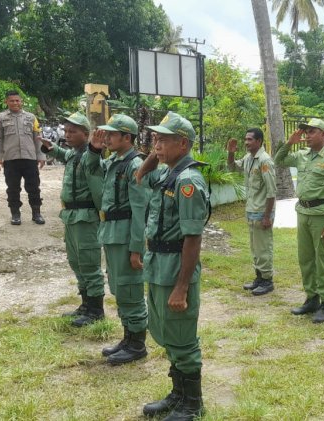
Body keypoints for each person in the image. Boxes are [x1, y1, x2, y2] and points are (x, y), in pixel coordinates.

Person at [136, 112, 207, 420]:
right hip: (159, 265)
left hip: (176, 267)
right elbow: (141, 174)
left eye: (163, 140)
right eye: (155, 140)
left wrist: (181, 287)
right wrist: (158, 151)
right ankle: (178, 394)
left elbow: (193, 238)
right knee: (167, 333)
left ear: (183, 143)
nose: (156, 146)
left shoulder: (188, 181)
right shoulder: (169, 174)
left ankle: (193, 404)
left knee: (182, 337)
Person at [87, 114, 149, 365]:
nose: (107, 137)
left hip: (125, 236)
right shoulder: (114, 161)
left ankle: (137, 344)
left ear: (127, 137)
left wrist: (136, 249)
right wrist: (94, 149)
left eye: (112, 134)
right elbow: (89, 168)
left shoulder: (135, 165)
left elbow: (139, 211)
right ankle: (127, 337)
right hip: (112, 233)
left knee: (130, 288)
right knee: (119, 287)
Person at [38, 112, 105, 327]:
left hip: (86, 217)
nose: (67, 135)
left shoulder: (90, 155)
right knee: (76, 262)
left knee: (89, 262)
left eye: (73, 132)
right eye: (66, 131)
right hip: (71, 216)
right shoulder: (75, 153)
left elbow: (92, 158)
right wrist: (52, 149)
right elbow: (65, 156)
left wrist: (95, 147)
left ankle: (96, 311)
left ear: (86, 134)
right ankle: (86, 304)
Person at [274, 118, 324, 323]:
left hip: (321, 216)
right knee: (305, 258)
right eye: (305, 132)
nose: (307, 135)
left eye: (311, 131)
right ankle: (311, 298)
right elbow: (278, 160)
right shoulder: (302, 156)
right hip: (303, 212)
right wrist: (288, 143)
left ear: (323, 134)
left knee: (323, 259)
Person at [227, 128, 277, 296]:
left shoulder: (264, 161)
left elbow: (271, 192)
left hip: (262, 212)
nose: (246, 142)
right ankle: (259, 278)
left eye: (250, 139)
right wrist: (231, 153)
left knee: (263, 247)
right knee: (255, 248)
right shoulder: (249, 159)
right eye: (245, 139)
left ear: (259, 141)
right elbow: (233, 168)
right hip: (251, 210)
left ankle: (267, 280)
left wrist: (267, 216)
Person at [0, 90, 46, 225]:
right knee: (13, 188)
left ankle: (36, 213)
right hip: (11, 159)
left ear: (21, 101)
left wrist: (41, 155)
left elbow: (38, 138)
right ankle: (15, 214)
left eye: (17, 100)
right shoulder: (0, 118)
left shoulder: (31, 117)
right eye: (12, 101)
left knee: (34, 187)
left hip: (29, 159)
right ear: (7, 102)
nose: (15, 103)